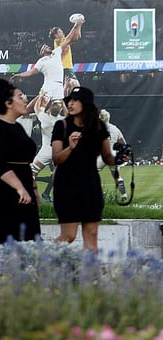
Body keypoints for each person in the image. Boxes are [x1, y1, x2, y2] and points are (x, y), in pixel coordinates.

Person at [51, 87, 122, 253]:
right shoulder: (61, 125)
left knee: (91, 233)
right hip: (67, 185)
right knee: (68, 236)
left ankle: (89, 276)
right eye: (69, 100)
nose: (70, 103)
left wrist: (119, 158)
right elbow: (57, 158)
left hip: (90, 184)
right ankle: (43, 260)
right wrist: (70, 147)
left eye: (75, 100)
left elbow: (107, 157)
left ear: (86, 103)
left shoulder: (98, 127)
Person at [0, 79, 41, 243]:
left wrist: (32, 187)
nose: (25, 99)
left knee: (27, 239)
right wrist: (20, 188)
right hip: (1, 194)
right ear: (8, 103)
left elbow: (24, 160)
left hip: (23, 189)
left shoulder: (17, 127)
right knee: (4, 239)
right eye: (20, 97)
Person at [10, 18, 84, 100]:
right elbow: (31, 72)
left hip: (58, 84)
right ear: (42, 52)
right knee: (75, 87)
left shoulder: (56, 52)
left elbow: (73, 38)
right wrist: (20, 74)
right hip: (50, 84)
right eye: (45, 47)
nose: (48, 46)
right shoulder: (42, 60)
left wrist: (79, 25)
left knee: (62, 99)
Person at [31, 91, 67, 202]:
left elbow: (36, 107)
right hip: (58, 151)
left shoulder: (44, 117)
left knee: (31, 172)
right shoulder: (62, 119)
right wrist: (62, 101)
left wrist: (41, 96)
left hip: (46, 151)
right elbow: (67, 114)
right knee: (59, 173)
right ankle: (52, 194)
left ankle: (30, 195)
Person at [97, 109, 128, 200]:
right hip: (113, 154)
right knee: (117, 175)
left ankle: (101, 193)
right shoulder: (115, 128)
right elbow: (123, 143)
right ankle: (124, 195)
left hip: (102, 155)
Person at [49, 25, 81, 96]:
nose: (62, 32)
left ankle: (68, 103)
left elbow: (76, 37)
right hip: (66, 67)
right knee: (76, 86)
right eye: (60, 32)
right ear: (56, 35)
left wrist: (79, 26)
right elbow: (72, 37)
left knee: (68, 88)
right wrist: (76, 25)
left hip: (66, 67)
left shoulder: (62, 39)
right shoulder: (57, 41)